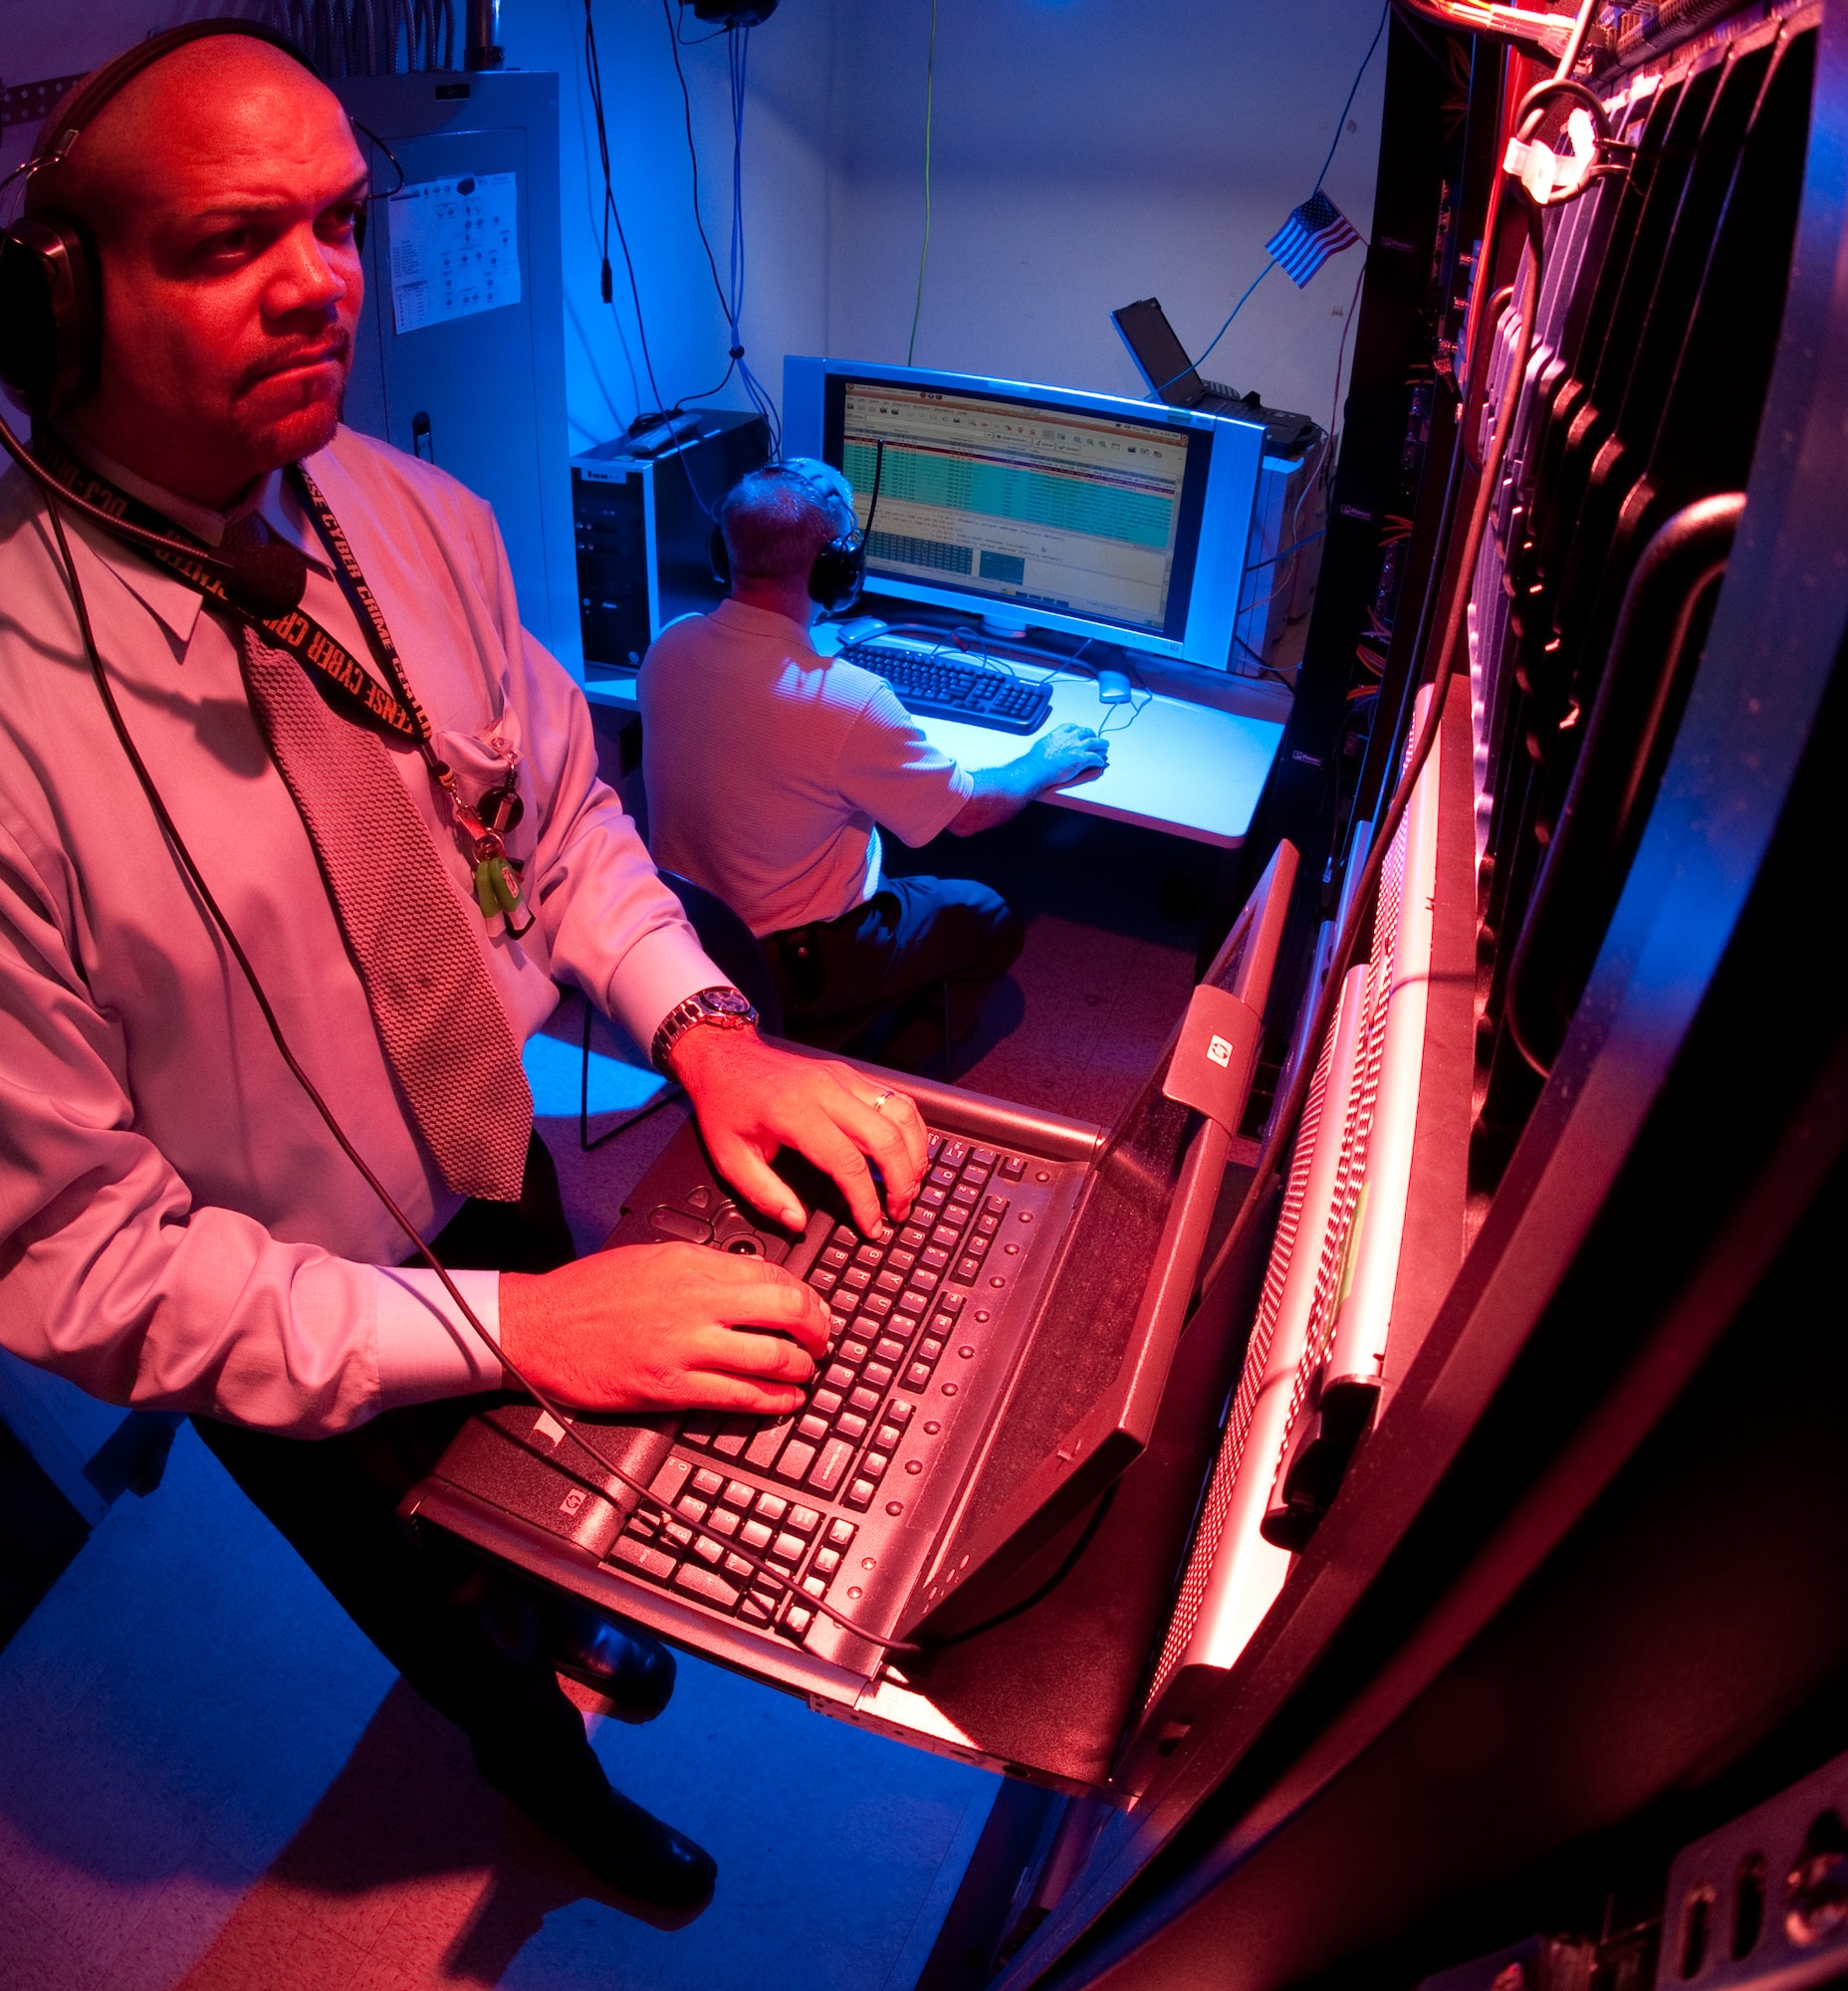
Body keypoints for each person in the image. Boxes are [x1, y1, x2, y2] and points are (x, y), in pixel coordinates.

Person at [0, 25, 930, 1917]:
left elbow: (562, 835)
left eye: (342, 221)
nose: (324, 282)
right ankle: (540, 1760)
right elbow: (77, 1262)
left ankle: (583, 1621)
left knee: (572, 1486)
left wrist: (708, 1027)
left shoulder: (419, 521)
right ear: (62, 299)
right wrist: (510, 1336)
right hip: (278, 1299)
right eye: (228, 240)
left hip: (500, 1171)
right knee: (441, 1589)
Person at [639, 459, 1111, 1068]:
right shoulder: (848, 698)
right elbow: (968, 814)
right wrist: (1041, 760)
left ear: (722, 552)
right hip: (799, 966)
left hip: (691, 941)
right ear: (839, 571)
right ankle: (896, 1079)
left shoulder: (669, 645)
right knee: (989, 913)